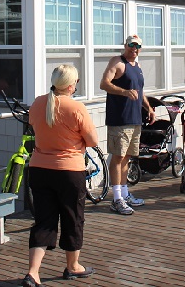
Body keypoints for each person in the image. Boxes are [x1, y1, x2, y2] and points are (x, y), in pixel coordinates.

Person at [22, 64, 98, 287]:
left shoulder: (37, 103)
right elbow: (92, 140)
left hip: (39, 169)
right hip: (69, 171)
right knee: (73, 217)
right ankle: (73, 266)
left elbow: (34, 126)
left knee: (43, 221)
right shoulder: (76, 108)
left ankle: (33, 273)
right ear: (72, 84)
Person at [100, 35, 155, 215]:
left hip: (135, 119)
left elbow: (139, 92)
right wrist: (124, 92)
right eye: (131, 45)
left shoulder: (137, 67)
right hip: (120, 119)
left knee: (127, 157)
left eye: (138, 46)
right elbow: (104, 84)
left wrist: (149, 108)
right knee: (118, 157)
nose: (134, 48)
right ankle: (116, 199)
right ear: (126, 45)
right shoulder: (118, 62)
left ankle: (124, 194)